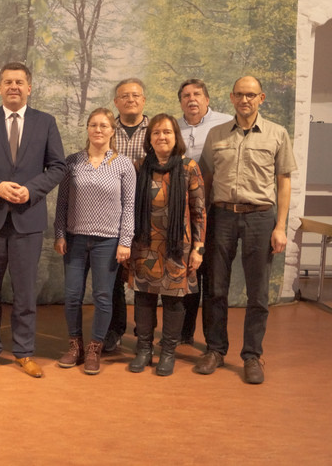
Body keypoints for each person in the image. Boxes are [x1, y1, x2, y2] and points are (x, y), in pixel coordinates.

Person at [0, 62, 66, 378]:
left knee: (24, 290)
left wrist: (31, 190)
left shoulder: (45, 123)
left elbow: (59, 167)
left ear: (29, 87)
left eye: (19, 82)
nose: (13, 87)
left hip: (28, 219)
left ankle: (23, 352)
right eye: (7, 82)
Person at [196, 76, 296, 384]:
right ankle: (215, 349)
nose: (245, 99)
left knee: (258, 292)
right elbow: (205, 181)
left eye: (251, 94)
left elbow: (284, 183)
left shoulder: (277, 134)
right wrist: (199, 225)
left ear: (261, 98)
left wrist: (280, 226)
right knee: (215, 288)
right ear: (231, 97)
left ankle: (252, 355)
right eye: (239, 94)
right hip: (222, 217)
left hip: (260, 217)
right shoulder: (216, 135)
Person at [53, 108, 135, 375]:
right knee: (73, 295)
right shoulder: (72, 162)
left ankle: (94, 348)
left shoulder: (123, 165)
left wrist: (125, 241)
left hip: (108, 242)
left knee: (102, 296)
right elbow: (62, 202)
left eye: (104, 125)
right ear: (87, 129)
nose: (98, 130)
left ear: (113, 130)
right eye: (93, 125)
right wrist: (60, 234)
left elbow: (129, 206)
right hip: (76, 239)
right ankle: (75, 345)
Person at [127, 113, 206, 376]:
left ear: (176, 137)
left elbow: (199, 211)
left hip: (177, 247)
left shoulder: (188, 168)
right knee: (144, 299)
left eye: (167, 132)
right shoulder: (139, 167)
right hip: (145, 244)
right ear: (149, 139)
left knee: (174, 301)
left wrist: (198, 248)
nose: (162, 137)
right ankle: (144, 350)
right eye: (157, 133)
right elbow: (127, 208)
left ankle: (168, 352)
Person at [176, 79, 232, 345]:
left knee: (211, 275)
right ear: (181, 102)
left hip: (216, 209)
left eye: (197, 94)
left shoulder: (226, 125)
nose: (192, 99)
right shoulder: (174, 127)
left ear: (207, 99)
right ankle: (183, 332)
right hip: (182, 212)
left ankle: (213, 341)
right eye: (186, 95)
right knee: (187, 271)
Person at [104, 77, 149, 353]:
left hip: (148, 210)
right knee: (113, 274)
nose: (130, 100)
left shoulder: (155, 129)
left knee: (145, 271)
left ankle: (144, 332)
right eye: (124, 96)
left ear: (143, 100)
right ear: (116, 102)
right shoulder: (107, 129)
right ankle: (114, 328)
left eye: (135, 95)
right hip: (112, 210)